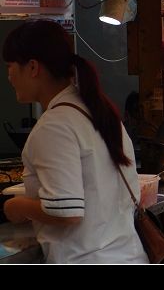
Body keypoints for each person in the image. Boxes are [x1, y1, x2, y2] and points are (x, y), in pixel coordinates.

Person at [1, 19, 147, 263]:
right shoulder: (97, 111)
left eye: (10, 66)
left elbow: (66, 212)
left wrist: (17, 207)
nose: (8, 76)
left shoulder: (54, 126)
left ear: (33, 67)